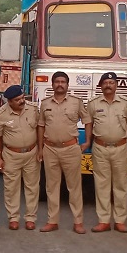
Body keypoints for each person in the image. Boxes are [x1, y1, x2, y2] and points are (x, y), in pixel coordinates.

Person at [37, 71, 92, 234]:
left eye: (63, 82)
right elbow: (41, 125)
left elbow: (87, 120)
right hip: (50, 149)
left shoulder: (76, 102)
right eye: (57, 82)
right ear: (52, 84)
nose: (60, 84)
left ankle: (78, 222)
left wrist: (87, 141)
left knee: (74, 187)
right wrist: (40, 148)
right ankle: (52, 221)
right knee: (51, 187)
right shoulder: (45, 104)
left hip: (71, 149)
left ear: (67, 85)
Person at [87, 72, 127, 233]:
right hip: (100, 147)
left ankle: (120, 220)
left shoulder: (125, 104)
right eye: (105, 82)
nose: (108, 85)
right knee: (101, 185)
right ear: (100, 86)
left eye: (111, 82)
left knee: (121, 184)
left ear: (116, 85)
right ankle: (104, 220)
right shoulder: (93, 104)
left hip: (120, 148)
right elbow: (90, 125)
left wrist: (119, 139)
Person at [0, 85, 40, 230]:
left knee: (32, 186)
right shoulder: (1, 115)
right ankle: (13, 217)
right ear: (10, 102)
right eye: (17, 100)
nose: (22, 101)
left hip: (31, 153)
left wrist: (40, 149)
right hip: (11, 155)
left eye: (22, 98)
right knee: (11, 188)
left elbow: (39, 129)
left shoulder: (33, 109)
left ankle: (30, 217)